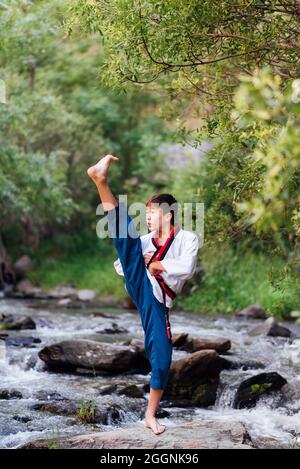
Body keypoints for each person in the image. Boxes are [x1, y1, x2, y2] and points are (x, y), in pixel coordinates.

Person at [87, 155, 199, 435]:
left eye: (152, 213)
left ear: (169, 215)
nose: (147, 217)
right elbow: (121, 263)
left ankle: (150, 415)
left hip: (159, 301)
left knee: (161, 356)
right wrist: (141, 262)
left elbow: (186, 268)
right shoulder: (145, 240)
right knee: (126, 237)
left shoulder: (188, 239)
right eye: (146, 213)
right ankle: (100, 179)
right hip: (140, 285)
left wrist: (154, 262)